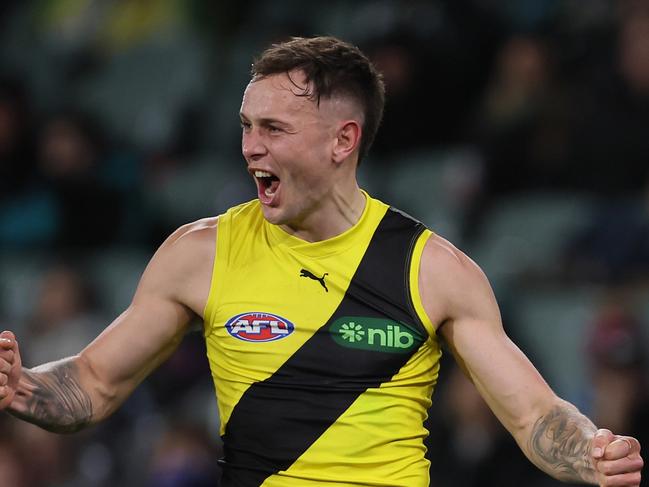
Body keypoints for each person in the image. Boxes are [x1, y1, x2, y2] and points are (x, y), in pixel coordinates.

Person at [0, 36, 643, 487]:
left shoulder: (431, 271)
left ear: (344, 140)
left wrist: (592, 453)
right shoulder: (200, 255)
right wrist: (22, 388)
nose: (250, 148)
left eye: (274, 129)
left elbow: (533, 414)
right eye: (247, 125)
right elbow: (95, 382)